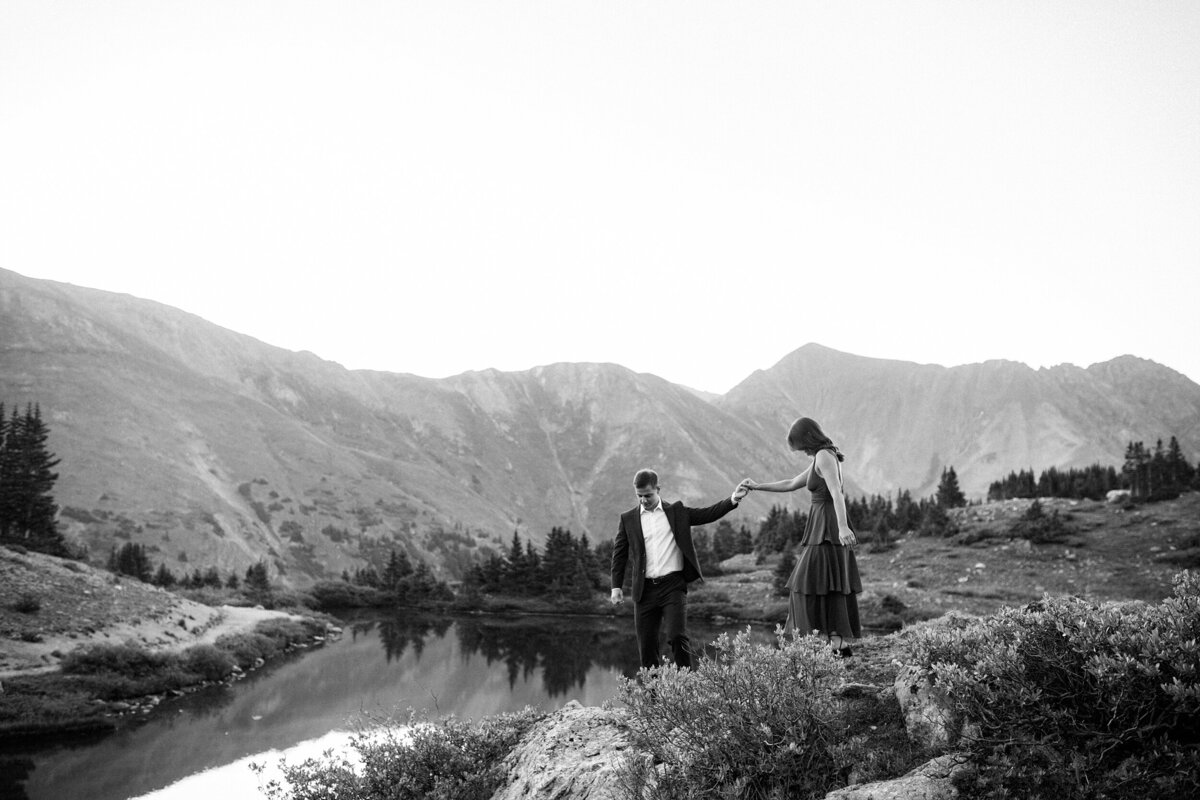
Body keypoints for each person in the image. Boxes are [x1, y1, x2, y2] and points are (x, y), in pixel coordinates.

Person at [740, 417, 862, 657]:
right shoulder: (822, 456)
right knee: (827, 584)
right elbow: (792, 483)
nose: (803, 452)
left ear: (808, 439)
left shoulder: (825, 457)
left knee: (803, 584)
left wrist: (843, 527)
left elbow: (836, 492)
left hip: (827, 529)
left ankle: (829, 641)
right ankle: (836, 643)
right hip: (823, 526)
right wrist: (756, 486)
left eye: (802, 446)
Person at [610, 468, 749, 669]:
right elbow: (619, 553)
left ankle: (686, 689)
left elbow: (707, 514)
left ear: (658, 489)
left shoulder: (676, 512)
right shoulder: (628, 519)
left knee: (677, 637)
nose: (643, 500)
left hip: (672, 587)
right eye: (639, 496)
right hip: (644, 591)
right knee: (647, 647)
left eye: (647, 495)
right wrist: (616, 586)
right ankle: (653, 698)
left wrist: (734, 498)